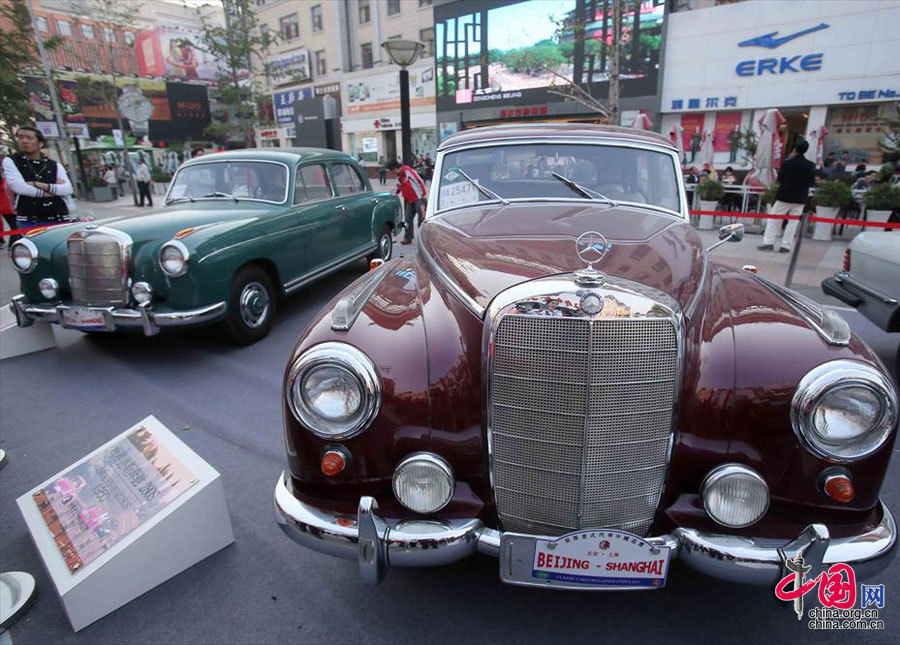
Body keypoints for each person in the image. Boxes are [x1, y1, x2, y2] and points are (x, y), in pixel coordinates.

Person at [2, 127, 73, 229]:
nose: (24, 141)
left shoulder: (53, 164)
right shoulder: (11, 161)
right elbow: (19, 187)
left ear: (40, 143)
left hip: (59, 216)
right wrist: (51, 192)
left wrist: (36, 184)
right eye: (20, 137)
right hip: (30, 219)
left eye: (29, 138)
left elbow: (67, 189)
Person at [758, 139, 816, 253]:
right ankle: (786, 246)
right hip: (800, 198)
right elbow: (811, 182)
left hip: (784, 196)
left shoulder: (787, 163)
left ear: (794, 149)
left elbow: (779, 179)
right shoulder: (811, 166)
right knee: (793, 223)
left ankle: (769, 242)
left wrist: (790, 158)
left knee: (774, 219)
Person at [387, 158, 427, 245]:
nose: (391, 173)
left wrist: (424, 195)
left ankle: (423, 239)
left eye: (391, 170)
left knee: (421, 219)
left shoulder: (407, 171)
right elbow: (398, 187)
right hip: (409, 200)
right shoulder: (399, 176)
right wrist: (390, 194)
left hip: (418, 198)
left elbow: (419, 181)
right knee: (407, 219)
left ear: (394, 168)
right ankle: (408, 238)